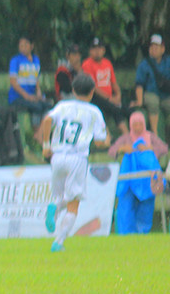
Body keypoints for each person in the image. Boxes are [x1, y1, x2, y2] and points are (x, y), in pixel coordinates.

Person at [41, 73, 111, 252]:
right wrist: (107, 140)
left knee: (60, 196)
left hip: (57, 156)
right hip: (77, 158)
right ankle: (58, 242)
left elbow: (47, 120)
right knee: (74, 203)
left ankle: (54, 206)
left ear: (73, 90)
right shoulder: (94, 112)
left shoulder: (62, 106)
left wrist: (46, 145)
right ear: (92, 91)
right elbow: (99, 141)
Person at [107, 111, 167, 234]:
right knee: (126, 208)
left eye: (140, 124)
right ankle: (126, 234)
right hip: (129, 181)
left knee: (145, 209)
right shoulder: (126, 138)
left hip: (147, 181)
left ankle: (142, 233)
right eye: (135, 124)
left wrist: (149, 149)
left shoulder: (150, 137)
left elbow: (164, 148)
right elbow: (112, 151)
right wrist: (122, 148)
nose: (138, 127)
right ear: (130, 125)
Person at [82, 37, 129, 135]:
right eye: (94, 49)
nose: (97, 51)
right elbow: (93, 87)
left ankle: (137, 136)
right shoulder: (87, 64)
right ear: (90, 51)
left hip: (111, 97)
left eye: (99, 48)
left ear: (103, 50)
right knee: (114, 109)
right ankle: (125, 135)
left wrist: (118, 95)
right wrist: (110, 99)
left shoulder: (107, 63)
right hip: (95, 97)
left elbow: (114, 83)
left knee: (129, 110)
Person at [7, 36, 51, 137]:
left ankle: (41, 133)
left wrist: (38, 92)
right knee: (37, 107)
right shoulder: (15, 61)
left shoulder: (36, 60)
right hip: (17, 97)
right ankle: (37, 133)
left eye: (25, 45)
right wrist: (27, 96)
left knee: (47, 106)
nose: (23, 48)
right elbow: (13, 82)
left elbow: (36, 80)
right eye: (21, 45)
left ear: (32, 46)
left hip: (32, 96)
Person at [131, 34, 170, 139]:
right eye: (151, 47)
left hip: (166, 94)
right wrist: (139, 101)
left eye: (156, 47)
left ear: (162, 49)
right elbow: (139, 84)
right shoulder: (144, 64)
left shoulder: (168, 62)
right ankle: (155, 135)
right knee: (153, 103)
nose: (153, 49)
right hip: (150, 92)